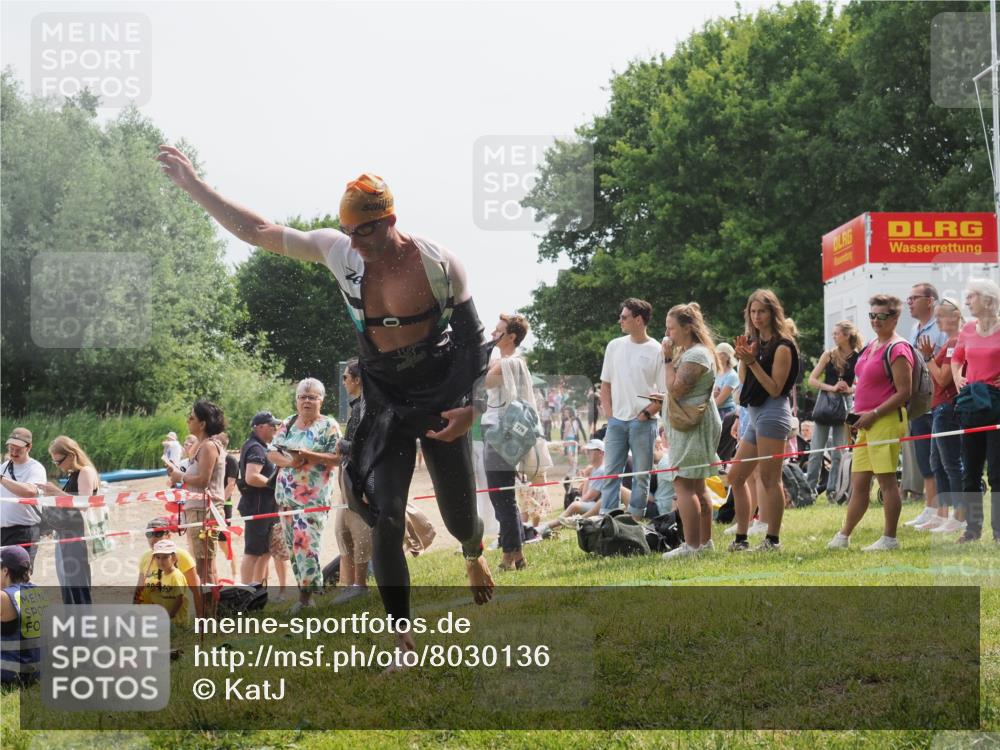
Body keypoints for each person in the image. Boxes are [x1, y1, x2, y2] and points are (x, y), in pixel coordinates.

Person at [158, 153, 493, 658]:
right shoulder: (340, 252)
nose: (354, 242)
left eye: (364, 231)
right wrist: (196, 187)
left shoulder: (438, 263)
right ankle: (402, 639)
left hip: (441, 390)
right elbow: (260, 230)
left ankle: (472, 551)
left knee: (458, 511)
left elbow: (472, 341)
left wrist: (471, 406)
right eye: (347, 231)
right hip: (384, 398)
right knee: (385, 514)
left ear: (391, 221)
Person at [828, 294, 913, 552]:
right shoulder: (872, 346)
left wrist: (874, 414)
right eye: (872, 316)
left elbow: (904, 392)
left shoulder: (898, 348)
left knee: (887, 482)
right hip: (864, 422)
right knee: (859, 482)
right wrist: (856, 415)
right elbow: (864, 385)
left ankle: (889, 538)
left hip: (884, 421)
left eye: (881, 316)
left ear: (895, 318)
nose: (876, 321)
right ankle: (844, 535)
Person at [728, 290, 800, 552]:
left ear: (773, 313)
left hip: (773, 413)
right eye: (753, 311)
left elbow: (774, 388)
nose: (757, 317)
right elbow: (747, 384)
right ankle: (741, 538)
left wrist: (752, 361)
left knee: (770, 479)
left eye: (762, 311)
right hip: (755, 414)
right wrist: (744, 360)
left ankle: (772, 539)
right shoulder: (755, 342)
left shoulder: (783, 346)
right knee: (736, 476)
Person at [268, 378, 341, 613]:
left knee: (306, 546)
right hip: (286, 498)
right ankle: (304, 596)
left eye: (312, 397)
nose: (307, 401)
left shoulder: (329, 425)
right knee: (292, 548)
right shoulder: (288, 422)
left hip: (313, 500)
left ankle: (306, 599)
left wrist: (309, 455)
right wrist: (292, 461)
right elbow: (273, 454)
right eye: (302, 396)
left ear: (321, 400)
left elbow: (338, 459)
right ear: (296, 400)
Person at [659, 303, 723, 559]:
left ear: (687, 327)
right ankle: (704, 543)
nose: (667, 334)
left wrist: (666, 358)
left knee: (683, 483)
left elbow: (675, 389)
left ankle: (693, 546)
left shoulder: (696, 355)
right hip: (693, 423)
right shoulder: (694, 352)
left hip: (692, 426)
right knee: (697, 485)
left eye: (671, 328)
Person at [598, 298, 666, 520]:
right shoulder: (614, 346)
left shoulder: (657, 349)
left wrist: (646, 414)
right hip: (616, 421)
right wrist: (610, 416)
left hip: (644, 422)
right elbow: (605, 385)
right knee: (611, 474)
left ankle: (636, 518)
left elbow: (664, 393)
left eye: (624, 317)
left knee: (641, 475)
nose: (620, 320)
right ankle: (608, 518)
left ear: (638, 320)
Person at [482, 314, 534, 571]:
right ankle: (513, 555)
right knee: (500, 496)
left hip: (502, 434)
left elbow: (483, 381)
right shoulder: (501, 361)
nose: (493, 333)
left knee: (501, 495)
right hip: (495, 431)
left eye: (498, 330)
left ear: (511, 336)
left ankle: (513, 555)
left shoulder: (510, 363)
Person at [951, 278, 1000, 543]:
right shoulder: (967, 330)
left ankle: (999, 531)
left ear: (988, 300)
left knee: (997, 472)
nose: (967, 301)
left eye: (972, 297)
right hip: (971, 406)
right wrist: (958, 377)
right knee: (970, 471)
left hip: (996, 406)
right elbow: (957, 358)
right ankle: (972, 529)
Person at [914, 298, 966, 533]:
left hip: (946, 407)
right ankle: (942, 514)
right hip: (939, 408)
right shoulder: (951, 342)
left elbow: (944, 378)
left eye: (940, 316)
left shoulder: (956, 342)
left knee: (951, 463)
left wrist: (927, 357)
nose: (937, 322)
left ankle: (959, 516)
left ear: (954, 316)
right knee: (938, 462)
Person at [163, 400, 226, 593]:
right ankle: (209, 614)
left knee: (203, 567)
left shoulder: (208, 446)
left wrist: (180, 476)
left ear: (203, 423)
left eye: (191, 417)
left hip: (204, 510)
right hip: (198, 508)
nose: (187, 420)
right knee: (204, 564)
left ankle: (208, 617)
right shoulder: (200, 445)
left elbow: (203, 480)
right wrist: (176, 472)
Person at [902, 283, 948, 522]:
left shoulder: (940, 329)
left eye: (914, 298)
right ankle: (930, 508)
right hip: (919, 399)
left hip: (937, 398)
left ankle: (942, 510)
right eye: (908, 299)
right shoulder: (914, 328)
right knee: (924, 454)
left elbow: (941, 366)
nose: (909, 302)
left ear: (930, 301)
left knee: (940, 455)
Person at [32, 436, 97, 605]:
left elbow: (84, 504)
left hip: (77, 534)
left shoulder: (85, 472)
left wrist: (56, 492)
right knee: (67, 582)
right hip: (66, 534)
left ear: (71, 455)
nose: (57, 466)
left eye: (58, 461)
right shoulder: (73, 474)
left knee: (76, 583)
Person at [807, 320, 862, 498]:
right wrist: (832, 388)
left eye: (836, 333)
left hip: (844, 406)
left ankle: (833, 490)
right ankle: (809, 490)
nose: (834, 336)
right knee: (816, 451)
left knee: (839, 452)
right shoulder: (828, 355)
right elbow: (812, 380)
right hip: (825, 405)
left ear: (846, 336)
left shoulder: (858, 357)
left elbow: (863, 384)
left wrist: (849, 389)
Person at [333, 361, 373, 603]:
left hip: (361, 481)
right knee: (342, 531)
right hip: (350, 480)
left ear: (357, 380)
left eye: (347, 377)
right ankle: (349, 584)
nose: (344, 381)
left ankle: (360, 585)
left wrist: (342, 445)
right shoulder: (356, 406)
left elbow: (365, 447)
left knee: (360, 533)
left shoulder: (364, 408)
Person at [238, 412, 282, 587]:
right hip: (257, 507)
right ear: (261, 427)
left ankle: (257, 590)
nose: (275, 429)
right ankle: (245, 591)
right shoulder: (256, 448)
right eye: (272, 426)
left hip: (265, 507)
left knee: (265, 552)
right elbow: (252, 477)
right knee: (253, 552)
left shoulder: (261, 446)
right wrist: (275, 485)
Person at [134, 516, 202, 617]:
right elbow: (139, 592)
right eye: (149, 533)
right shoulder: (145, 558)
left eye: (158, 533)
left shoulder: (182, 556)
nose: (153, 538)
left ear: (169, 536)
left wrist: (201, 623)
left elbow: (197, 593)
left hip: (176, 621)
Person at [0, 428, 46, 568]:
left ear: (29, 447)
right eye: (11, 448)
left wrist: (2, 479)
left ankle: (34, 592)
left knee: (21, 575)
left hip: (25, 531)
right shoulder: (4, 467)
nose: (13, 452)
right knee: (4, 577)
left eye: (18, 449)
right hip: (3, 531)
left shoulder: (35, 468)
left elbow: (30, 492)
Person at [1, 545, 43, 687]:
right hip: (37, 672)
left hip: (11, 676)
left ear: (5, 571)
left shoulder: (4, 597)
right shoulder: (38, 592)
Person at [141, 539, 190, 627]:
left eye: (165, 557)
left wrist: (171, 615)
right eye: (158, 557)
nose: (161, 561)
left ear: (174, 558)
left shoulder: (176, 576)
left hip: (177, 621)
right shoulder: (163, 574)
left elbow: (180, 598)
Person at [713, 342, 740, 420]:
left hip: (726, 414)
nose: (716, 356)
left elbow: (718, 401)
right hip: (715, 411)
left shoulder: (732, 376)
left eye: (720, 353)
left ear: (727, 357)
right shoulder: (716, 372)